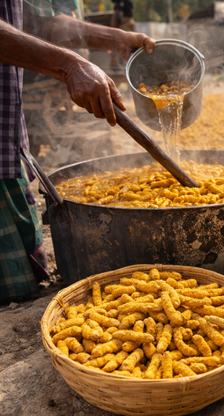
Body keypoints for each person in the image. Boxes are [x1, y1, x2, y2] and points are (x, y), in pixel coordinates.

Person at [0, 0, 155, 305]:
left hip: (6, 136)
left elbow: (37, 24)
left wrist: (116, 38)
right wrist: (69, 65)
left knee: (17, 290)